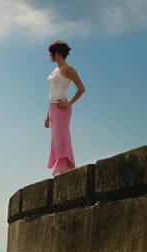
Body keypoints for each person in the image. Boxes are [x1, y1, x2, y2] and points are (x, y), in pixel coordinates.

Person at [45, 40, 86, 176]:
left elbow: (81, 88)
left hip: (62, 108)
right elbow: (52, 93)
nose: (49, 56)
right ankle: (68, 168)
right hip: (53, 108)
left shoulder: (68, 69)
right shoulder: (55, 70)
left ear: (56, 53)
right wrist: (48, 115)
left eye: (51, 53)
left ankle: (71, 167)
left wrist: (70, 103)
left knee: (62, 138)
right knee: (56, 139)